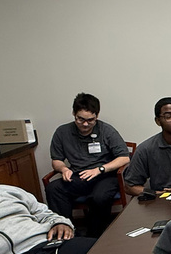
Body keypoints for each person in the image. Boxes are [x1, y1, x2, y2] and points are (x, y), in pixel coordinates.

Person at [46, 92, 130, 237]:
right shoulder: (62, 132)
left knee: (99, 197)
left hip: (105, 175)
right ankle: (67, 230)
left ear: (97, 116)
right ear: (74, 114)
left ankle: (95, 235)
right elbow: (57, 160)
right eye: (80, 119)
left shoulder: (106, 130)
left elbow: (124, 158)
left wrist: (100, 169)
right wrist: (63, 169)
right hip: (79, 176)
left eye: (90, 120)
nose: (85, 124)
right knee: (54, 188)